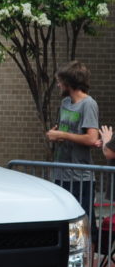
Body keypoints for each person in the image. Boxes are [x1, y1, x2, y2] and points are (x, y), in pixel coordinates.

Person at [46, 60, 99, 231]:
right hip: (61, 173)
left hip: (80, 176)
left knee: (84, 225)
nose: (58, 85)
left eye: (60, 81)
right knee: (64, 223)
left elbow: (92, 139)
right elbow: (64, 132)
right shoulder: (65, 103)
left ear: (69, 82)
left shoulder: (88, 104)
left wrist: (62, 134)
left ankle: (89, 258)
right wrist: (56, 136)